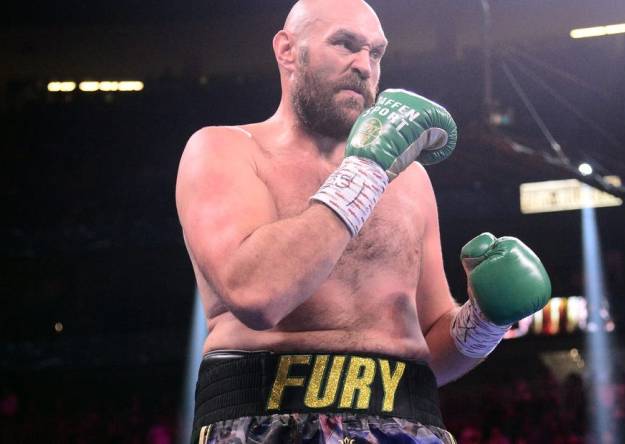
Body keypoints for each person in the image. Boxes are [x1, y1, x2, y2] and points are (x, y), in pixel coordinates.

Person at [175, 1, 551, 443]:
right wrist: (365, 173)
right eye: (345, 45)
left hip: (408, 422)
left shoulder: (411, 180)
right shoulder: (226, 150)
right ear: (287, 50)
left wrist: (484, 323)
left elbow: (428, 349)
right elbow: (257, 293)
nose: (364, 66)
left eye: (375, 53)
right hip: (265, 418)